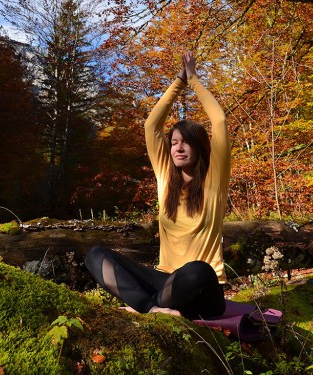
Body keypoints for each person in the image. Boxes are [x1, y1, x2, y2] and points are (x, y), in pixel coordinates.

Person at [84, 51, 230, 319]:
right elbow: (151, 125)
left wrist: (194, 79)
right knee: (96, 255)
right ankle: (152, 308)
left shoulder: (214, 180)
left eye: (185, 142)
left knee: (197, 270)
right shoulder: (166, 176)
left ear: (199, 148)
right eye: (173, 142)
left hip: (203, 288)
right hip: (165, 280)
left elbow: (219, 121)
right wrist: (178, 80)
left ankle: (143, 305)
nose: (178, 148)